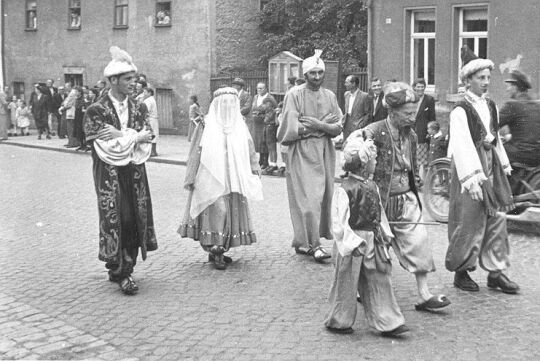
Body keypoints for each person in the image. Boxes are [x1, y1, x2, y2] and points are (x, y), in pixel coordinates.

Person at [361, 81, 451, 311]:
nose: (413, 117)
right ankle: (362, 288)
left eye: (414, 112)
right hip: (381, 200)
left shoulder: (410, 135)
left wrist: (414, 179)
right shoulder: (375, 130)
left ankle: (423, 294)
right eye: (407, 113)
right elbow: (359, 146)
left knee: (418, 242)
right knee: (376, 248)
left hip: (406, 199)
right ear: (392, 111)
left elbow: (409, 165)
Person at [83, 46, 157, 295]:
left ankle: (126, 266)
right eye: (128, 79)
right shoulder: (97, 110)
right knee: (119, 217)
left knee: (136, 217)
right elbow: (107, 148)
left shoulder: (139, 108)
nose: (133, 83)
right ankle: (121, 271)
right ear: (113, 80)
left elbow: (149, 139)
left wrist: (123, 135)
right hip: (110, 175)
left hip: (134, 173)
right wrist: (134, 137)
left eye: (134, 79)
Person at [445, 57, 518, 294]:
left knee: (497, 217)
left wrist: (503, 164)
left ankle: (496, 272)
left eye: (488, 78)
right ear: (468, 80)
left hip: (490, 165)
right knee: (470, 219)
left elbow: (494, 138)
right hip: (470, 166)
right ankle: (462, 270)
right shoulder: (460, 110)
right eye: (480, 78)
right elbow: (462, 144)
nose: (486, 82)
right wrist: (471, 179)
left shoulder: (491, 106)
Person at [325, 134, 408, 337]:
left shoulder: (372, 187)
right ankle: (340, 319)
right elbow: (339, 222)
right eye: (373, 159)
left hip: (372, 238)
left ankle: (388, 321)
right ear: (363, 163)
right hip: (352, 242)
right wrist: (351, 242)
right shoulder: (345, 190)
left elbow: (379, 212)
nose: (376, 162)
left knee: (379, 277)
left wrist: (384, 232)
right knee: (346, 281)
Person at [178, 87, 263, 270]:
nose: (228, 106)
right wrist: (191, 176)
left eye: (231, 103)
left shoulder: (239, 126)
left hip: (232, 176)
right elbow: (195, 151)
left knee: (229, 210)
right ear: (217, 104)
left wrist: (254, 167)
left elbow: (249, 148)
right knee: (218, 209)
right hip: (210, 176)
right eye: (224, 102)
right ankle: (214, 247)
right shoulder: (206, 125)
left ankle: (220, 249)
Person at [277, 49, 342, 263]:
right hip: (302, 152)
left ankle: (304, 242)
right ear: (305, 75)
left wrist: (318, 124)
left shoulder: (330, 96)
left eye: (319, 73)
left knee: (324, 198)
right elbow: (290, 128)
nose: (316, 77)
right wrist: (320, 127)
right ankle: (314, 245)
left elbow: (338, 126)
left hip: (325, 151)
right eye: (312, 73)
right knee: (309, 199)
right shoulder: (294, 95)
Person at [499, 70, 540, 167]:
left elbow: (492, 125)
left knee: (494, 151)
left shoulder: (512, 105)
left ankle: (498, 181)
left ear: (515, 87)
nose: (507, 89)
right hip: (537, 154)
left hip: (520, 154)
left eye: (509, 86)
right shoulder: (537, 105)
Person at [412, 78, 436, 184]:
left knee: (422, 159)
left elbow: (432, 117)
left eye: (422, 87)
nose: (420, 89)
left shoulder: (429, 100)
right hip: (411, 132)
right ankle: (414, 179)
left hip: (423, 133)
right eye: (418, 86)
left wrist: (430, 132)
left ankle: (422, 181)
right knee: (412, 156)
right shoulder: (412, 99)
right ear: (414, 87)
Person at [251, 82, 275, 170]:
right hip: (257, 123)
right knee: (259, 142)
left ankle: (266, 161)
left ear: (266, 89)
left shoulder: (269, 98)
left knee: (265, 142)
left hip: (265, 122)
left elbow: (269, 109)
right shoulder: (255, 97)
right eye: (258, 88)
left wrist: (260, 112)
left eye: (261, 88)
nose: (259, 90)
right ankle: (261, 160)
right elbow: (253, 107)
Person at [342, 75, 369, 141]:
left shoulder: (364, 96)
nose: (345, 84)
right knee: (346, 144)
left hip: (357, 126)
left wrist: (361, 125)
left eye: (347, 82)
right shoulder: (346, 94)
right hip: (346, 124)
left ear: (353, 84)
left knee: (355, 145)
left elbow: (367, 113)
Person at [261, 97, 278, 174]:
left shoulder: (271, 111)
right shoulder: (267, 111)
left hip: (271, 128)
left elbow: (266, 120)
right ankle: (271, 163)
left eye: (264, 104)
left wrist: (263, 116)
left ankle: (274, 164)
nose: (263, 106)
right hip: (268, 128)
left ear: (269, 104)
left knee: (272, 147)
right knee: (269, 146)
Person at [143, 88, 159, 157]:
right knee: (154, 134)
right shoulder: (152, 99)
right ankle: (153, 151)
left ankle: (152, 151)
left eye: (145, 92)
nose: (144, 94)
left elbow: (146, 110)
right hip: (154, 119)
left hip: (150, 119)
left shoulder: (148, 100)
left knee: (151, 134)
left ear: (149, 93)